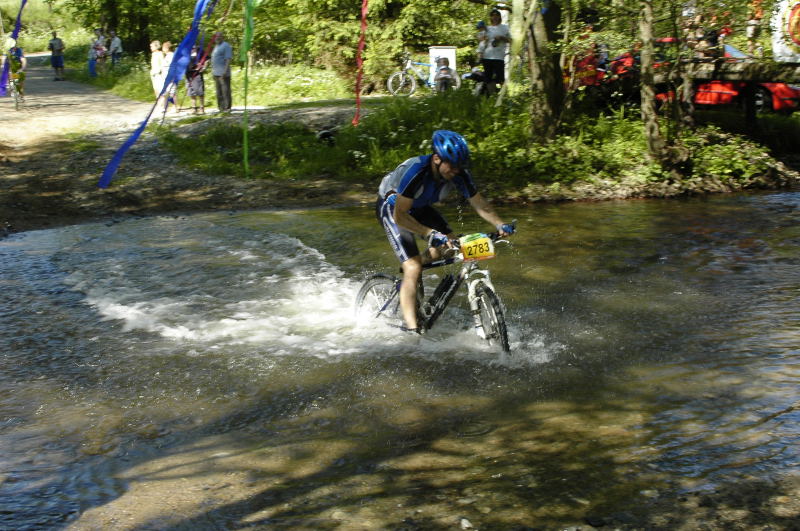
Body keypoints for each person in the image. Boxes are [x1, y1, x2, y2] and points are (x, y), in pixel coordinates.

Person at [376, 130, 515, 333]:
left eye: (460, 167)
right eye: (452, 165)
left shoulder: (458, 173)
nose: (456, 171)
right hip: (394, 209)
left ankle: (416, 269)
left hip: (419, 207)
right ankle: (413, 331)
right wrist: (430, 234)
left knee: (453, 245)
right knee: (413, 266)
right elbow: (400, 216)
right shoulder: (416, 172)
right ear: (436, 158)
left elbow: (480, 204)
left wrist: (500, 225)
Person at [482, 9, 511, 95]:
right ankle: (492, 96)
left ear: (499, 17)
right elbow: (481, 41)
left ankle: (503, 96)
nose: (494, 17)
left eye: (496, 15)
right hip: (487, 56)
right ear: (490, 17)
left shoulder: (505, 27)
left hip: (499, 56)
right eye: (493, 15)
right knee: (488, 78)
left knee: (500, 78)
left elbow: (511, 40)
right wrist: (484, 40)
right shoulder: (487, 28)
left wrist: (502, 38)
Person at [210, 31, 232, 112]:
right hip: (216, 73)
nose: (217, 38)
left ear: (222, 37)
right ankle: (221, 108)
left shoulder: (226, 46)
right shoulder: (216, 46)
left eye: (219, 36)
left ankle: (227, 108)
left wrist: (225, 71)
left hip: (223, 73)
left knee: (225, 91)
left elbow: (228, 59)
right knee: (219, 91)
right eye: (216, 36)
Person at [185, 45, 206, 114]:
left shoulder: (198, 49)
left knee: (200, 91)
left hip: (197, 74)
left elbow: (207, 58)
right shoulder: (185, 49)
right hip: (188, 74)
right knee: (191, 92)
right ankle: (194, 108)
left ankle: (202, 108)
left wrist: (203, 67)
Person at [160, 41, 178, 113]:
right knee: (165, 92)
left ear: (167, 48)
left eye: (163, 48)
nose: (163, 49)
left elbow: (173, 66)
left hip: (170, 77)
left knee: (172, 92)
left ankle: (176, 107)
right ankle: (165, 108)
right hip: (165, 77)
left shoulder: (171, 55)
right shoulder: (167, 56)